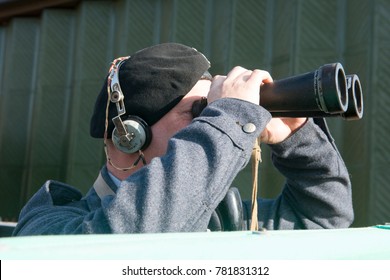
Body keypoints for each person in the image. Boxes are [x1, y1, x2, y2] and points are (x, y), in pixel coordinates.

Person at [13, 43, 353, 235]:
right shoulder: (49, 227)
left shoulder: (220, 219)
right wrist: (232, 116)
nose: (214, 122)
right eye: (201, 112)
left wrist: (298, 141)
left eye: (214, 112)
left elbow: (323, 219)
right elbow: (133, 237)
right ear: (129, 136)